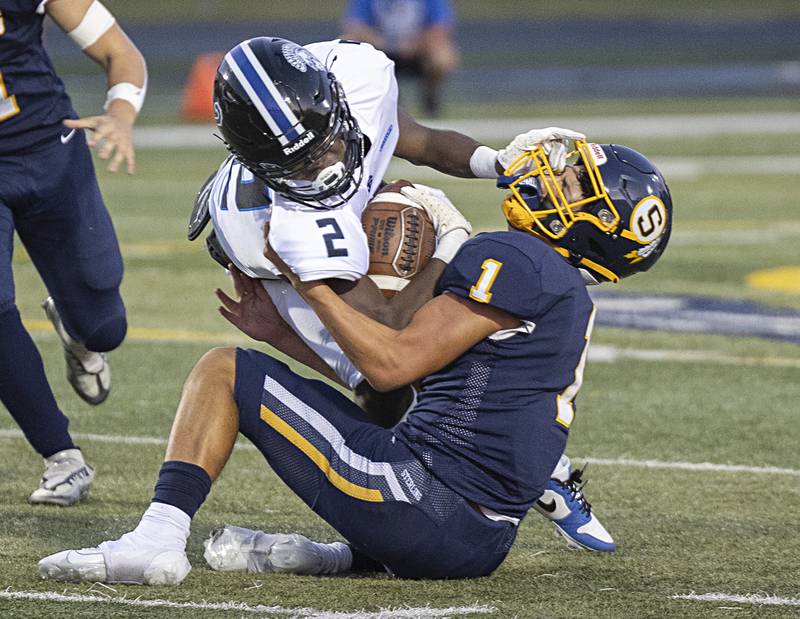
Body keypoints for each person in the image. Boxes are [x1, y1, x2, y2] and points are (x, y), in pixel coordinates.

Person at [37, 140, 672, 583]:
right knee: (372, 418)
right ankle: (341, 557)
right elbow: (392, 374)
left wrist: (307, 281)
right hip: (479, 541)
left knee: (224, 369)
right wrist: (285, 338)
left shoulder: (522, 261)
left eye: (572, 184)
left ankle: (155, 539)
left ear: (596, 221)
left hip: (423, 504)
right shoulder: (555, 286)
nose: (552, 180)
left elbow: (392, 365)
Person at [193, 36, 611, 550]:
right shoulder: (276, 224)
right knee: (392, 379)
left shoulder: (361, 84)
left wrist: (495, 163)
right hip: (309, 261)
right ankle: (533, 461)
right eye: (302, 162)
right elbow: (389, 340)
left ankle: (529, 458)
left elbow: (421, 140)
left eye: (328, 139)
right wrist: (448, 247)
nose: (326, 163)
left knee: (419, 364)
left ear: (333, 96)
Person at [0, 0, 147, 505]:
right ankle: (62, 457)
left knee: (105, 326)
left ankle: (79, 332)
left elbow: (120, 53)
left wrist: (121, 114)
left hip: (47, 151)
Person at [340, 0, 459, 116]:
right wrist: (380, 42)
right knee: (348, 42)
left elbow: (441, 27)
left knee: (443, 55)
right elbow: (354, 25)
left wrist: (415, 43)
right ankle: (367, 100)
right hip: (380, 50)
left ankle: (430, 95)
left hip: (418, 51)